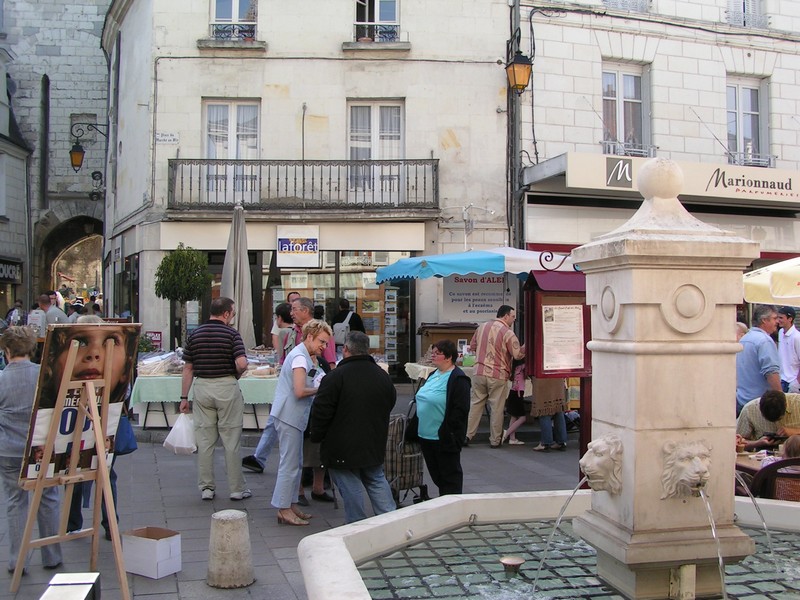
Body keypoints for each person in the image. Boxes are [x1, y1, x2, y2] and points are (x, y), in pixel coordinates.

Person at [310, 331, 397, 523]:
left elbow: (321, 411)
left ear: (346, 350)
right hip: (373, 440)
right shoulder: (382, 376)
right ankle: (391, 522)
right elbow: (390, 402)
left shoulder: (334, 377)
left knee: (351, 487)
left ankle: (357, 525)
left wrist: (316, 435)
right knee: (375, 479)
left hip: (341, 445)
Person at [0, 326, 63, 573]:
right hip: (42, 448)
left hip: (9, 450)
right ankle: (51, 554)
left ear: (6, 350)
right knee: (48, 497)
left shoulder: (2, 380)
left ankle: (17, 558)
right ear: (32, 349)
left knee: (15, 501)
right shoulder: (45, 376)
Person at [180, 297, 251, 501]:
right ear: (226, 313)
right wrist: (238, 373)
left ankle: (207, 488)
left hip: (202, 387)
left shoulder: (195, 334)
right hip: (226, 387)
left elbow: (187, 368)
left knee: (205, 441)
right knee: (231, 441)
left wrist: (184, 397)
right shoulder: (231, 334)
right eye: (233, 314)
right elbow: (242, 363)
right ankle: (236, 488)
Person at [66, 315, 130, 541]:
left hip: (87, 427)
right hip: (99, 426)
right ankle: (110, 524)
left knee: (75, 473)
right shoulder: (108, 359)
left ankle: (73, 524)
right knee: (104, 475)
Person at [270, 319, 332, 525]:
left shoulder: (306, 355)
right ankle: (283, 508)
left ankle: (290, 504)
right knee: (289, 464)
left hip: (293, 416)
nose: (324, 346)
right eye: (322, 342)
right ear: (310, 337)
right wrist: (321, 389)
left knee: (295, 463)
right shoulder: (299, 357)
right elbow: (299, 391)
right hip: (289, 415)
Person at [241, 302, 295, 474]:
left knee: (277, 418)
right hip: (292, 383)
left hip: (290, 383)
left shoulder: (287, 333)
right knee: (275, 419)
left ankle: (262, 458)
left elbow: (283, 357)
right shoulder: (296, 332)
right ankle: (260, 457)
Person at [415, 339, 470, 496]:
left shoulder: (458, 379)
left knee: (450, 478)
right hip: (425, 435)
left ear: (448, 357)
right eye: (432, 353)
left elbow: (461, 410)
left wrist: (449, 432)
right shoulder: (433, 374)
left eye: (437, 353)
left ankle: (452, 508)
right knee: (437, 476)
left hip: (443, 437)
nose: (433, 356)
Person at [465, 305, 525, 447]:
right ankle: (495, 440)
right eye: (513, 317)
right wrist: (526, 346)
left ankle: (467, 435)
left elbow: (472, 346)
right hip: (498, 374)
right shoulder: (508, 333)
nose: (514, 320)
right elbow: (517, 355)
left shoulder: (481, 327)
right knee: (496, 408)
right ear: (505, 316)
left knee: (475, 405)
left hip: (479, 372)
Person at [736, 304, 781, 415]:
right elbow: (771, 372)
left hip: (742, 400)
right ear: (764, 320)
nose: (777, 322)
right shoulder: (764, 341)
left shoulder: (745, 339)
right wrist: (781, 398)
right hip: (760, 404)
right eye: (775, 318)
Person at [531, 377, 568, 452]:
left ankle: (545, 443)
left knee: (544, 409)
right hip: (558, 378)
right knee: (558, 410)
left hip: (542, 379)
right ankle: (561, 441)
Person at [502, 359, 527, 445]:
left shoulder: (514, 367)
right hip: (518, 393)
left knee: (514, 416)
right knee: (523, 418)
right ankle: (506, 434)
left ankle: (512, 438)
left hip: (512, 392)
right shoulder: (523, 366)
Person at [777, 306, 800, 393]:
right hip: (782, 380)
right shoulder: (780, 332)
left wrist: (797, 382)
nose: (778, 320)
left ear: (790, 319)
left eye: (781, 318)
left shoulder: (797, 337)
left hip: (792, 382)